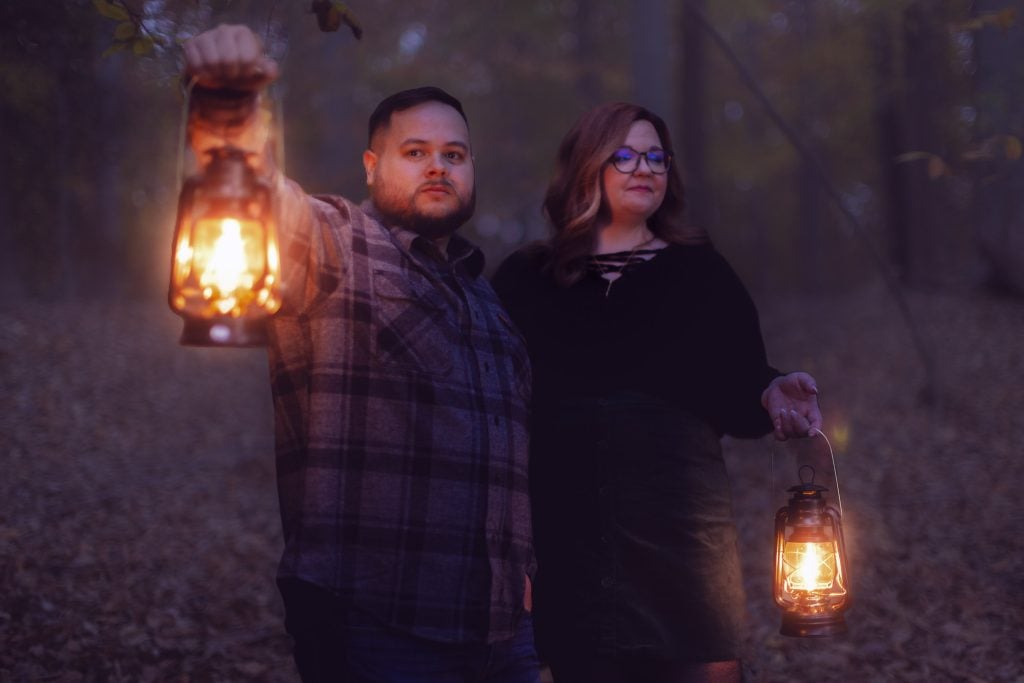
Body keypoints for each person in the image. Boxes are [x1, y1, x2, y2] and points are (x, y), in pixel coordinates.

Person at [182, 25, 538, 683]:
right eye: (416, 151)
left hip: (503, 635)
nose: (439, 165)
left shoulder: (488, 304)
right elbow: (256, 197)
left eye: (455, 154)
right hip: (378, 625)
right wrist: (227, 101)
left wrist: (524, 578)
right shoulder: (338, 246)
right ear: (372, 166)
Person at [491, 102, 823, 683]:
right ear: (585, 166)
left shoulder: (699, 272)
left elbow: (738, 378)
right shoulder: (526, 278)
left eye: (655, 156)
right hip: (567, 531)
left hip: (681, 536)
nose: (644, 167)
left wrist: (772, 392)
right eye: (624, 154)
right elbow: (495, 404)